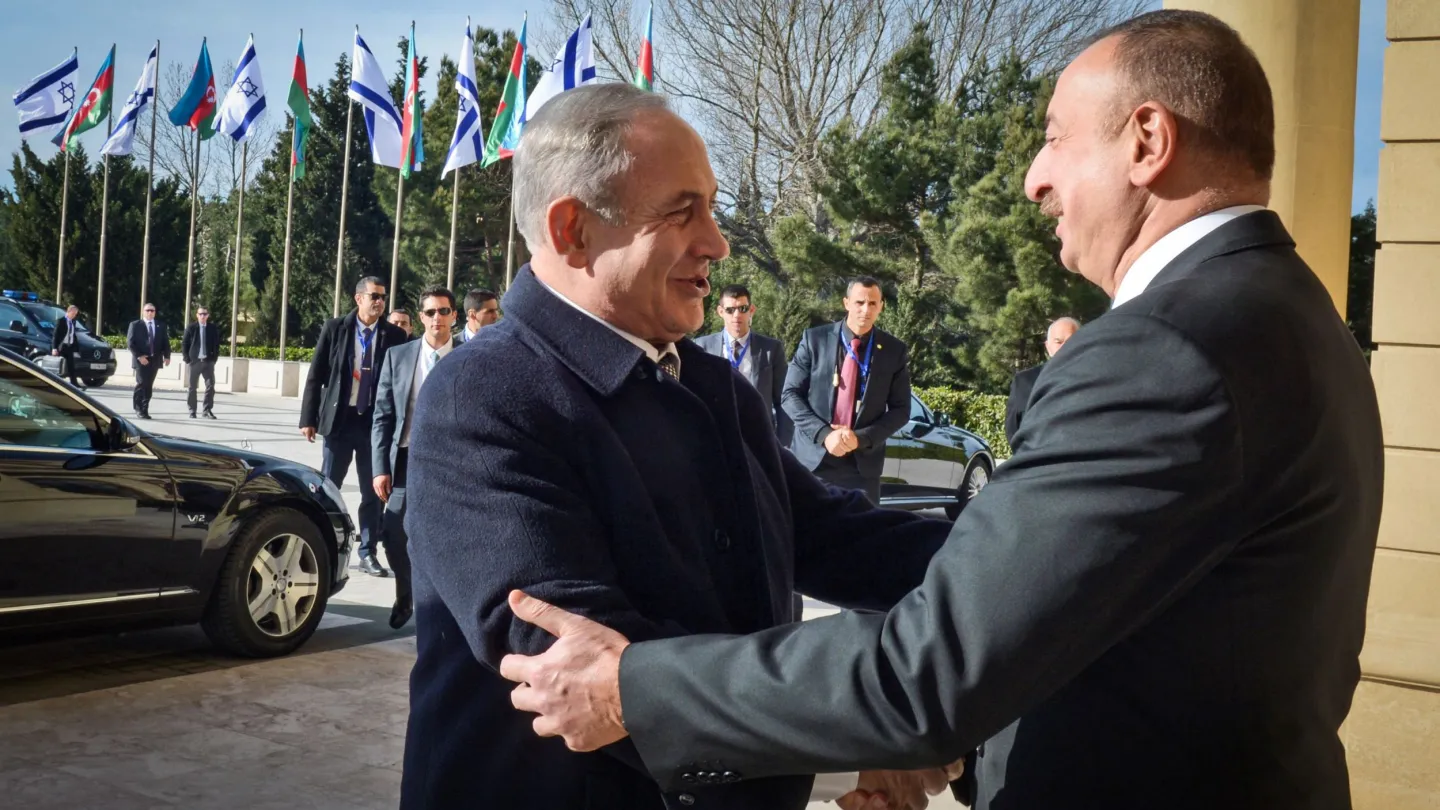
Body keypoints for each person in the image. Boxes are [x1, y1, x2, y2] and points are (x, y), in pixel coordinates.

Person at [494, 11, 1386, 810]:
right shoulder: (1293, 318)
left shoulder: (1166, 348)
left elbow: (933, 667)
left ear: (1148, 141)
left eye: (1054, 138)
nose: (1034, 178)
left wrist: (634, 689)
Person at [402, 83, 957, 810]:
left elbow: (827, 535)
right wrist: (860, 744)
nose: (717, 243)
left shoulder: (709, 384)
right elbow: (596, 672)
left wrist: (1014, 559)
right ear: (573, 229)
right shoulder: (483, 396)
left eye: (712, 208)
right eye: (680, 211)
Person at [299, 276, 408, 578]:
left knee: (373, 491)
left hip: (375, 423)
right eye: (374, 296)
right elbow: (316, 373)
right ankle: (320, 542)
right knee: (329, 486)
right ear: (358, 298)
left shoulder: (395, 336)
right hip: (340, 421)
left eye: (383, 297)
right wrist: (308, 418)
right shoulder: (336, 328)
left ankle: (368, 552)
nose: (380, 302)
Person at [371, 286, 461, 630]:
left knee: (448, 535)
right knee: (394, 530)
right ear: (421, 317)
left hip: (452, 463)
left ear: (454, 316)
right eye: (430, 312)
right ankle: (405, 594)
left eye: (443, 311)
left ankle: (443, 603)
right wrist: (380, 468)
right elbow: (382, 416)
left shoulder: (469, 355)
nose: (437, 318)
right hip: (407, 459)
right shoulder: (398, 356)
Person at [782, 278, 911, 506]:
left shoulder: (893, 350)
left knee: (863, 528)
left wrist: (860, 439)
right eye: (859, 302)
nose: (866, 310)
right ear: (846, 303)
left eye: (873, 303)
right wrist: (824, 434)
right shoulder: (815, 340)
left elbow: (901, 410)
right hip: (813, 461)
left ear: (881, 306)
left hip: (861, 467)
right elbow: (790, 395)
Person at [693, 284, 793, 446]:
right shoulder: (702, 347)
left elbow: (783, 400)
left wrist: (782, 444)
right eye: (730, 310)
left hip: (758, 440)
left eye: (743, 308)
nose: (737, 315)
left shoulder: (771, 349)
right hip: (716, 439)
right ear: (720, 312)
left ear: (751, 310)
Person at [1003, 316, 1079, 446]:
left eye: (1071, 341)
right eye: (1058, 342)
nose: (1065, 347)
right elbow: (1013, 430)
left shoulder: (1096, 378)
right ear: (1048, 347)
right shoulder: (1025, 381)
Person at [126, 303, 170, 419]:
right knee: (142, 383)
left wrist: (167, 356)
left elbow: (165, 342)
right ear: (143, 312)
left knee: (149, 385)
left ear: (155, 312)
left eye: (152, 311)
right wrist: (139, 356)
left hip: (155, 359)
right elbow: (130, 343)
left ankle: (145, 409)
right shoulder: (135, 325)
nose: (150, 312)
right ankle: (138, 408)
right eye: (147, 310)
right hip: (141, 360)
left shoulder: (160, 325)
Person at [182, 305, 221, 419]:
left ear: (208, 316)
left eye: (205, 314)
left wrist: (214, 359)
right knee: (192, 387)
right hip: (194, 361)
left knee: (210, 386)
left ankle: (207, 410)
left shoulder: (212, 328)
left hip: (208, 362)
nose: (202, 316)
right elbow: (185, 343)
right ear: (197, 315)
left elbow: (216, 344)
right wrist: (187, 359)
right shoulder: (191, 327)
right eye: (200, 314)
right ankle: (192, 411)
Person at [49, 303, 85, 388]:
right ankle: (55, 382)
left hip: (69, 346)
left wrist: (76, 347)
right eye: (73, 313)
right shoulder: (61, 321)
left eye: (75, 314)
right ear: (68, 312)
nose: (74, 315)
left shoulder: (73, 321)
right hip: (61, 346)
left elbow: (72, 334)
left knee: (71, 365)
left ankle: (74, 383)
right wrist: (54, 348)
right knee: (59, 365)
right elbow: (55, 335)